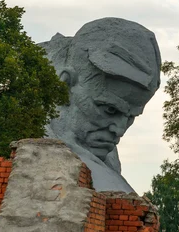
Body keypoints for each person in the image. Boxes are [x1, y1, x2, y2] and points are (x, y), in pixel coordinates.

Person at [40, 17, 161, 192]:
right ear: (64, 86)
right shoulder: (20, 124)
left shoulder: (101, 154)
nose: (119, 130)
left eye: (130, 117)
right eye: (110, 110)